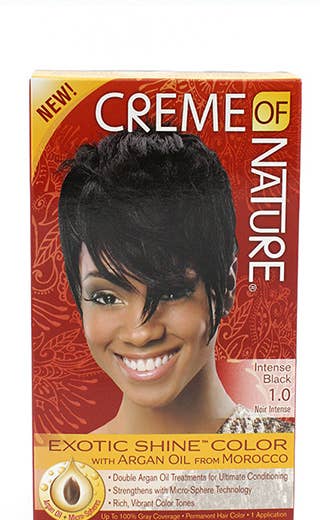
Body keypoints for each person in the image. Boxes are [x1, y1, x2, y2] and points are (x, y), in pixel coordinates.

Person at [58, 129, 293, 435]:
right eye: (106, 297)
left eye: (170, 292)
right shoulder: (66, 462)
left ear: (227, 285)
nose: (141, 333)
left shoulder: (278, 453)